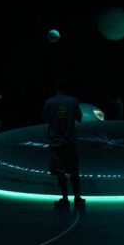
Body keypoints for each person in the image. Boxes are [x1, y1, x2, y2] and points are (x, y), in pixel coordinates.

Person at [43, 78, 85, 208]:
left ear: (55, 88)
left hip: (56, 142)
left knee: (60, 172)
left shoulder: (49, 102)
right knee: (74, 171)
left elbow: (45, 119)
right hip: (70, 141)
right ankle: (77, 198)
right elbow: (79, 118)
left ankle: (65, 199)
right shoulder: (73, 101)